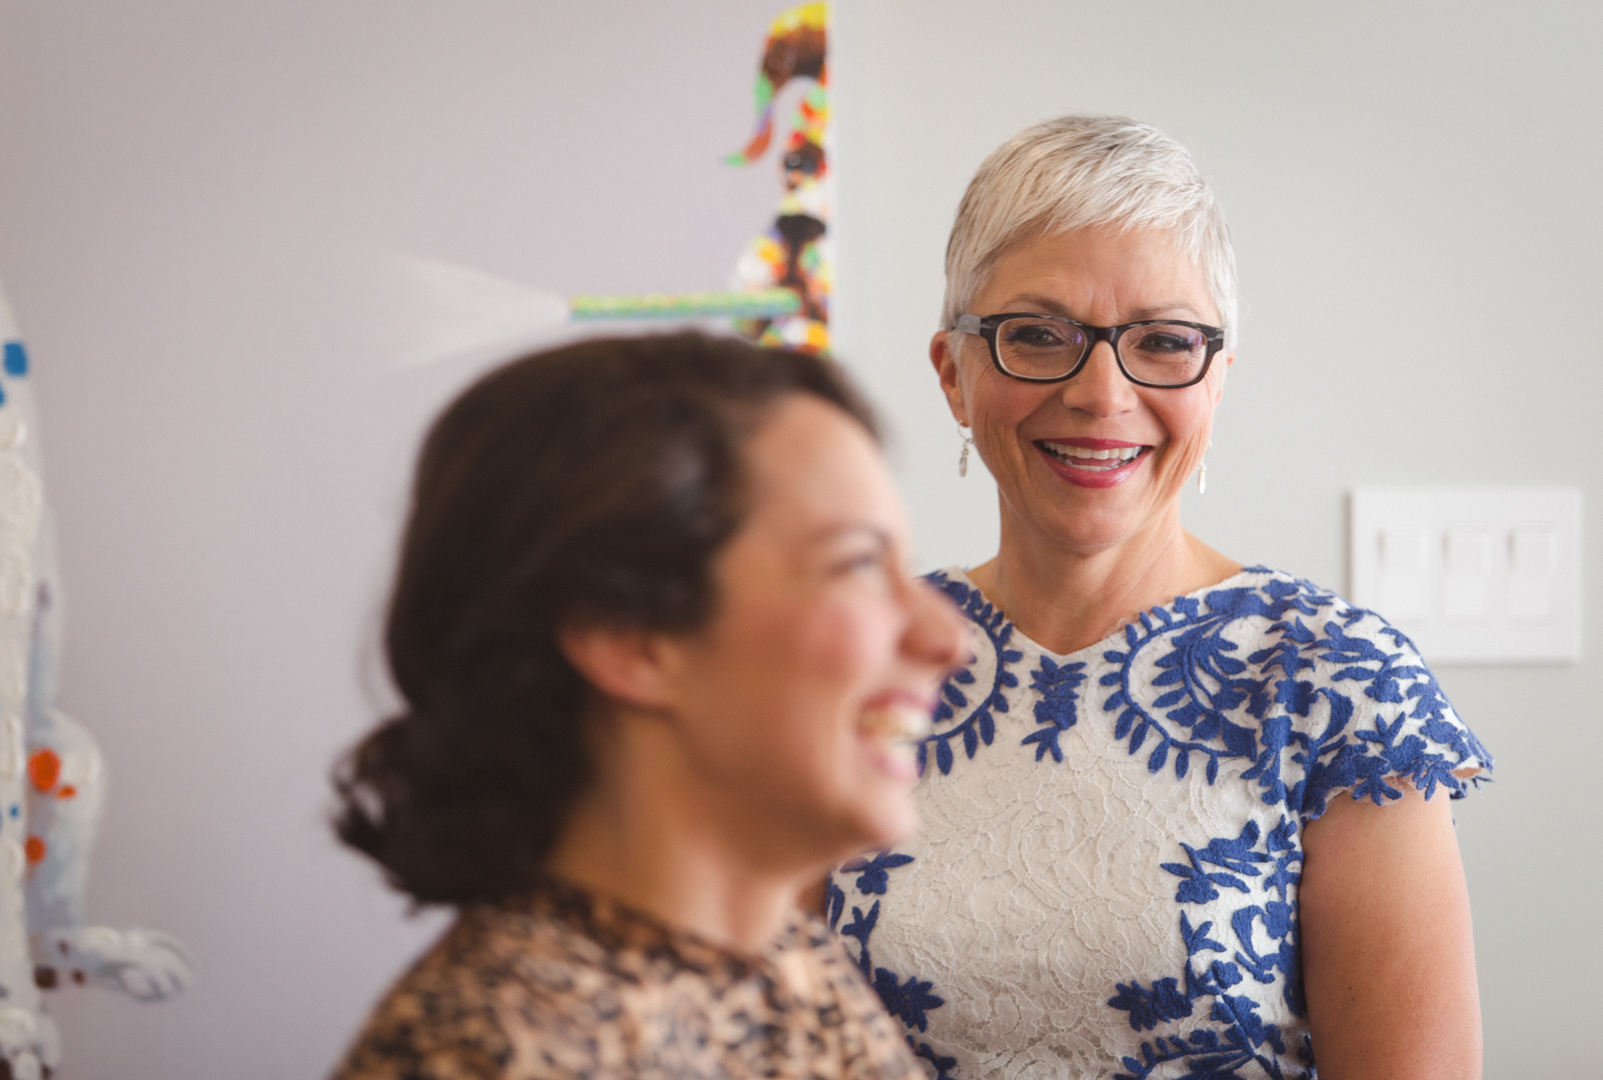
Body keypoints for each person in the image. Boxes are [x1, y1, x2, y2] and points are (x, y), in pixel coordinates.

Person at [824, 116, 1492, 1080]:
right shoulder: (849, 664)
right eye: (1038, 335)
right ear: (953, 374)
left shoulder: (1336, 679)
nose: (1102, 392)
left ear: (1217, 378)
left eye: (1165, 341)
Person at [330, 332, 966, 1079]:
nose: (946, 637)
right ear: (628, 637)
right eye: (859, 563)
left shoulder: (783, 963)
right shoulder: (490, 1053)